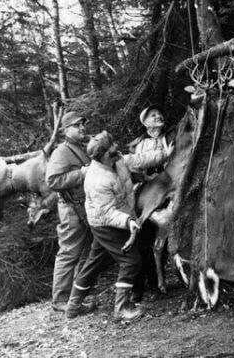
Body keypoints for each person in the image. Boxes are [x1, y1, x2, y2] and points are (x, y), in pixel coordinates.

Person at [65, 131, 170, 320]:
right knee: (131, 261)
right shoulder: (97, 180)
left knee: (94, 262)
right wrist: (128, 221)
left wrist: (164, 154)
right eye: (112, 145)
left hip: (118, 218)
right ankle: (121, 308)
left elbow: (138, 160)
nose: (117, 147)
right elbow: (106, 213)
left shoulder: (117, 160)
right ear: (105, 154)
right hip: (105, 224)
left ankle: (73, 306)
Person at [45, 111, 93, 312]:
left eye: (83, 124)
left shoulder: (81, 148)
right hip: (71, 208)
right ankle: (60, 300)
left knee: (85, 253)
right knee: (68, 253)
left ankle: (78, 295)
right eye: (77, 126)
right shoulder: (61, 152)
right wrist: (80, 174)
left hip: (84, 207)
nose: (82, 128)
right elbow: (52, 180)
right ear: (65, 131)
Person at [128, 106, 175, 301]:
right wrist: (146, 177)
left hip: (169, 192)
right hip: (146, 194)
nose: (158, 116)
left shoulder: (171, 137)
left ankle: (158, 283)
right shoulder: (139, 144)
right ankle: (139, 287)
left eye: (159, 113)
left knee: (162, 241)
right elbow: (134, 166)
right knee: (143, 239)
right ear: (145, 122)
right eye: (153, 115)